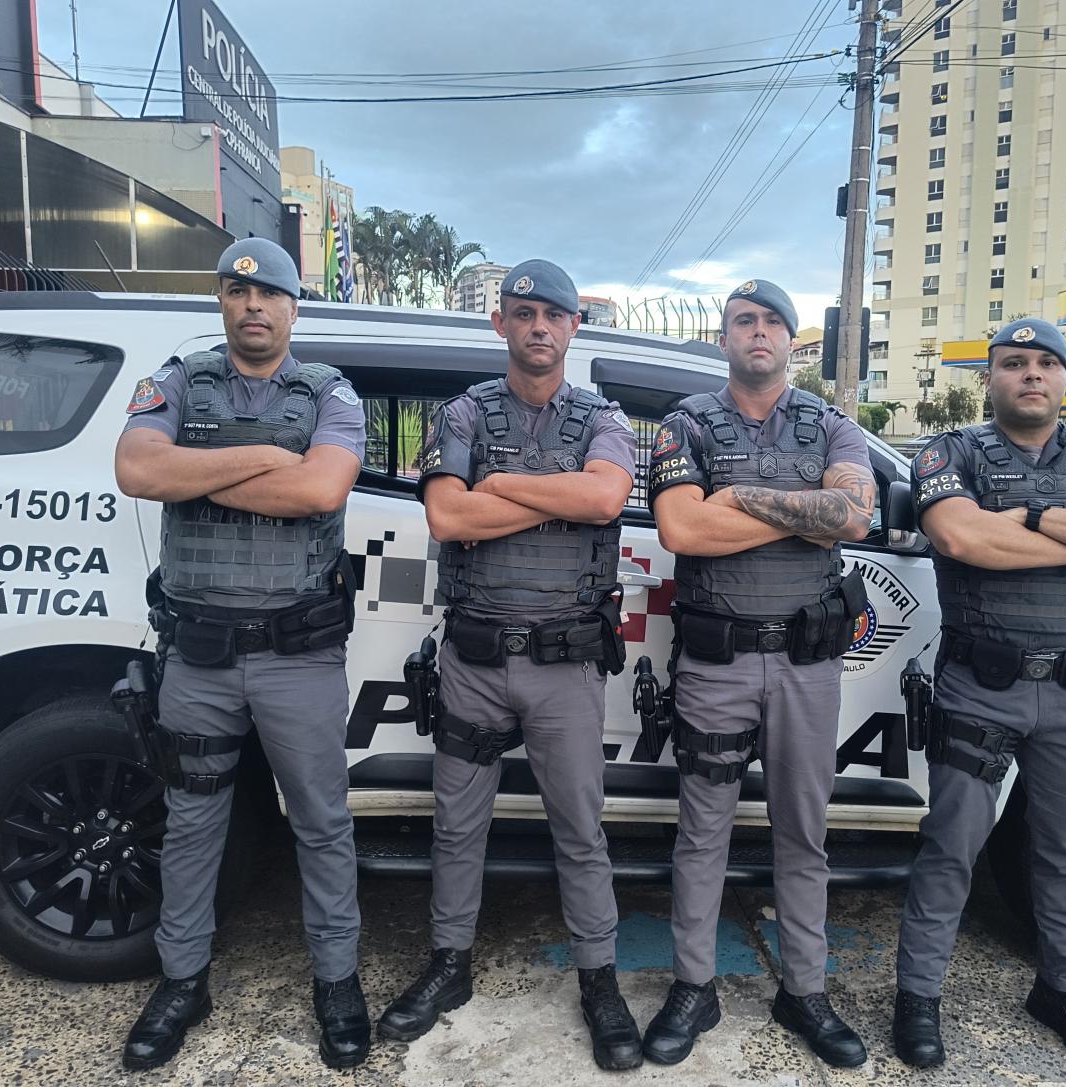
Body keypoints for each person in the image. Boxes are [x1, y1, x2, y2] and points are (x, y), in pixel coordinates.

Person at [379, 259, 644, 1071]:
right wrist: (537, 490)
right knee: (458, 825)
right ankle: (448, 965)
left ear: (573, 327)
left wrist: (498, 481)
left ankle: (599, 980)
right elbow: (448, 516)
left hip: (566, 663)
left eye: (552, 314)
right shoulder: (464, 410)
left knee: (580, 829)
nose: (537, 326)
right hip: (476, 657)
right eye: (522, 312)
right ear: (500, 323)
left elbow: (604, 500)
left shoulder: (604, 416)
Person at [113, 239, 369, 1071]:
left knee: (324, 825)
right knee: (190, 824)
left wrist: (193, 471)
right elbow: (136, 467)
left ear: (295, 308)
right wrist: (264, 457)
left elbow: (320, 490)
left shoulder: (328, 391)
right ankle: (182, 979)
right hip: (200, 653)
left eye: (270, 295)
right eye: (236, 290)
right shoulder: (179, 380)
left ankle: (336, 979)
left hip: (298, 654)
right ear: (221, 301)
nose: (252, 305)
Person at [892, 318, 1066, 1070]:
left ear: (1065, 378)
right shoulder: (950, 451)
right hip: (980, 689)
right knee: (950, 848)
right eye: (1013, 362)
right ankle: (917, 996)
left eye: (1046, 362)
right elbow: (964, 540)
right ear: (990, 377)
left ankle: (1063, 988)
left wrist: (1037, 516)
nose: (1031, 374)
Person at [643, 279, 876, 1069]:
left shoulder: (832, 424)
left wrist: (736, 495)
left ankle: (804, 991)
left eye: (772, 321)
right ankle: (692, 985)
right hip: (718, 660)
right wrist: (793, 505)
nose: (759, 332)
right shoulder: (686, 423)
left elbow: (853, 516)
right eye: (744, 320)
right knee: (701, 830)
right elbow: (682, 526)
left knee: (803, 831)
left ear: (791, 339)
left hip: (808, 662)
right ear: (724, 338)